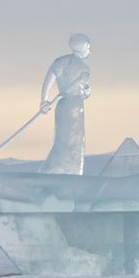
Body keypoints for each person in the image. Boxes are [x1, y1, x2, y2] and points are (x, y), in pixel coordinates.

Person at [38, 33, 93, 175]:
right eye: (88, 48)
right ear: (83, 49)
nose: (89, 51)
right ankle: (59, 168)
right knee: (68, 138)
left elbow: (86, 93)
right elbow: (48, 81)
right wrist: (43, 101)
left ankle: (71, 170)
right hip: (72, 105)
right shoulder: (72, 65)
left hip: (70, 104)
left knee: (73, 139)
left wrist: (44, 101)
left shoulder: (69, 64)